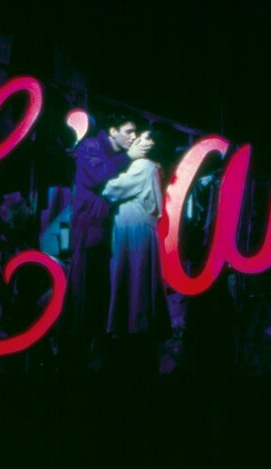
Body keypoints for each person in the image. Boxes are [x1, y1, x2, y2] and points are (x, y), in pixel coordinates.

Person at [66, 114, 150, 366]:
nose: (133, 136)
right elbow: (98, 175)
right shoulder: (90, 146)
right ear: (112, 131)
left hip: (106, 231)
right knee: (87, 293)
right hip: (90, 231)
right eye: (129, 130)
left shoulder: (112, 153)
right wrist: (129, 158)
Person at [101, 130, 172, 369]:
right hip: (138, 228)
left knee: (133, 280)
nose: (136, 139)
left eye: (142, 136)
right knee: (138, 281)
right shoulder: (151, 167)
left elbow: (112, 190)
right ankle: (136, 328)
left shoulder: (143, 164)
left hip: (134, 229)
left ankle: (133, 332)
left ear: (149, 143)